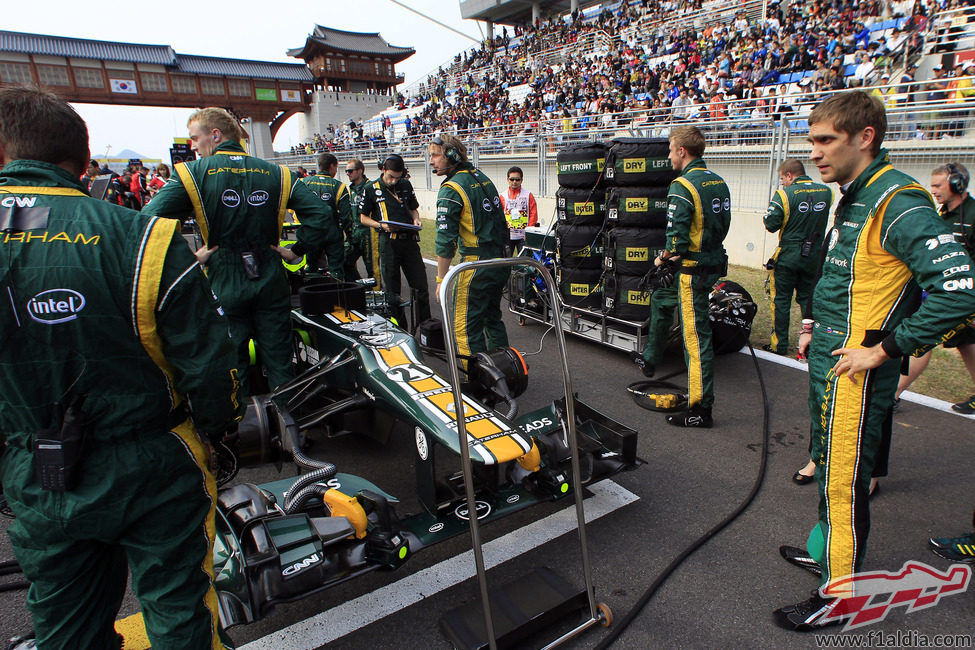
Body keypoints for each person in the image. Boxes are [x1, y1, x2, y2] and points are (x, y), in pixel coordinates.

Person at [0, 86, 241, 649]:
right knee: (182, 612)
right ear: (84, 162)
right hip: (152, 459)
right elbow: (209, 364)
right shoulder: (145, 238)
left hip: (32, 463)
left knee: (66, 627)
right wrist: (220, 429)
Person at [774, 91, 975, 632]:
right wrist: (815, 326)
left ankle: (839, 597)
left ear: (864, 137)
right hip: (831, 364)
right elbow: (852, 278)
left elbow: (960, 291)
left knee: (843, 481)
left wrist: (884, 349)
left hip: (858, 375)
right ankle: (828, 555)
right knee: (829, 470)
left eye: (825, 140)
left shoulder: (898, 200)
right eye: (811, 140)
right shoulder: (855, 194)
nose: (813, 152)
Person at [143, 107, 342, 398]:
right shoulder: (278, 173)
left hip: (224, 276)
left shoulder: (191, 173)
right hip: (271, 274)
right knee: (279, 358)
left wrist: (188, 260)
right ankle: (289, 430)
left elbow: (148, 220)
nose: (193, 146)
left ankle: (243, 432)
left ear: (215, 134)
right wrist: (297, 250)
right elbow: (322, 216)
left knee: (232, 363)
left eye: (195, 138)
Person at [643, 125, 731, 428]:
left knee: (696, 341)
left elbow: (677, 240)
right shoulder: (718, 181)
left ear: (682, 151)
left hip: (691, 272)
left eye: (670, 149)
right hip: (712, 265)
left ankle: (699, 408)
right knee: (664, 302)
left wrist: (662, 257)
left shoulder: (682, 185)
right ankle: (650, 357)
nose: (668, 156)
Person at [431, 133, 510, 360]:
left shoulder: (451, 188)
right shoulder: (481, 176)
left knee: (465, 327)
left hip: (476, 266)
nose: (431, 161)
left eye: (435, 155)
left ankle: (473, 382)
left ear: (451, 155)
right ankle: (505, 369)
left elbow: (445, 241)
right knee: (492, 319)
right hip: (501, 261)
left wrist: (440, 279)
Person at [762, 158, 833, 355]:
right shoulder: (827, 192)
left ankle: (779, 345)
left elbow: (770, 224)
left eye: (782, 178)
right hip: (815, 256)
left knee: (781, 300)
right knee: (809, 300)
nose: (782, 182)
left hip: (789, 256)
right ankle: (811, 345)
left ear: (789, 175)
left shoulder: (784, 194)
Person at [358, 154, 431, 329]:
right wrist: (380, 225)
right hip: (388, 242)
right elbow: (362, 218)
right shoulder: (370, 188)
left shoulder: (405, 184)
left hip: (409, 242)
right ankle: (400, 328)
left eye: (397, 177)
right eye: (391, 176)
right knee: (392, 292)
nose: (394, 181)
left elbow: (414, 209)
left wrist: (416, 220)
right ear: (383, 169)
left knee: (421, 287)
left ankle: (426, 327)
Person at [301, 152, 352, 275]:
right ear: (332, 166)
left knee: (311, 267)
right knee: (336, 269)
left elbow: (294, 207)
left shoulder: (303, 182)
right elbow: (346, 216)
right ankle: (338, 292)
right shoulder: (339, 186)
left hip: (311, 231)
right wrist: (350, 236)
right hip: (332, 233)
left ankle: (312, 291)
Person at [342, 158, 374, 280]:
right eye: (346, 171)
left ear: (360, 171)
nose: (348, 174)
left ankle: (376, 293)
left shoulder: (370, 187)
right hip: (354, 233)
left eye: (350, 171)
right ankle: (359, 287)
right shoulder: (350, 190)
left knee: (372, 268)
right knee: (346, 262)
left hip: (369, 233)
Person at [500, 166, 538, 257]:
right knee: (505, 262)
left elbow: (533, 214)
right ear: (507, 179)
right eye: (512, 179)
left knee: (525, 263)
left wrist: (529, 232)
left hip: (523, 236)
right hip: (508, 235)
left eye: (517, 179)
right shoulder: (503, 195)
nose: (514, 182)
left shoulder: (528, 195)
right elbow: (499, 216)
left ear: (521, 180)